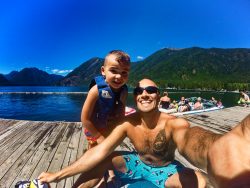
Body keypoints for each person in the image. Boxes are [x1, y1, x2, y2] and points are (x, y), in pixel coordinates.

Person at [38, 79, 250, 188]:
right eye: (139, 91)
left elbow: (189, 139)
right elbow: (100, 150)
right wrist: (58, 175)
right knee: (104, 158)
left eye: (151, 91)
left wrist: (216, 150)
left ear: (159, 97)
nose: (145, 94)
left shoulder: (174, 124)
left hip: (166, 170)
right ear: (135, 96)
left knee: (202, 182)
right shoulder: (127, 124)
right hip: (136, 164)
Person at [81, 50, 131, 187]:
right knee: (95, 151)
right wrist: (98, 136)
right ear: (103, 71)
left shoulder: (124, 91)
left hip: (109, 126)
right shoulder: (96, 90)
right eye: (114, 71)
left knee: (109, 149)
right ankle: (95, 173)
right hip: (93, 127)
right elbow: (84, 118)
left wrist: (119, 129)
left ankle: (111, 173)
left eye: (124, 73)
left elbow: (121, 112)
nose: (119, 76)